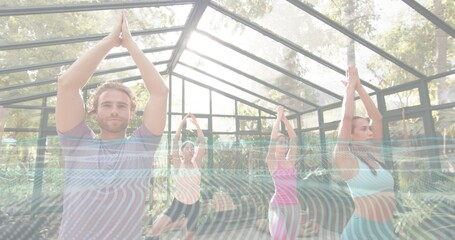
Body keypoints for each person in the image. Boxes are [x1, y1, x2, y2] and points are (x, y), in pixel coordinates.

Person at [55, 10, 168, 239]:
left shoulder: (143, 146)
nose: (114, 110)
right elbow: (67, 84)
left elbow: (160, 92)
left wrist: (130, 44)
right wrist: (109, 40)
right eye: (106, 105)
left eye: (121, 105)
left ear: (131, 113)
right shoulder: (76, 143)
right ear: (94, 112)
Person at [333, 66, 396, 239]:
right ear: (350, 135)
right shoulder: (345, 159)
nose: (370, 132)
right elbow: (346, 119)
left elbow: (377, 118)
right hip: (361, 233)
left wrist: (359, 87)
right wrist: (349, 90)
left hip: (386, 231)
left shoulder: (374, 154)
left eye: (369, 129)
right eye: (363, 129)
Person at [148, 113, 205, 240]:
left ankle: (184, 224)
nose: (190, 150)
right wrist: (181, 124)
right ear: (182, 151)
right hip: (178, 203)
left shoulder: (197, 163)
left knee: (188, 238)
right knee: (156, 228)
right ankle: (181, 223)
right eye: (187, 148)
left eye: (192, 148)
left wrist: (196, 125)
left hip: (194, 205)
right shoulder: (178, 164)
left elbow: (202, 143)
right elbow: (175, 142)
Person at [266, 106, 301, 240]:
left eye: (284, 142)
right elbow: (272, 139)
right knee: (280, 236)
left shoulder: (290, 160)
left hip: (294, 205)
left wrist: (284, 118)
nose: (284, 145)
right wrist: (277, 118)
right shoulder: (272, 161)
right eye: (280, 142)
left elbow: (294, 139)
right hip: (277, 206)